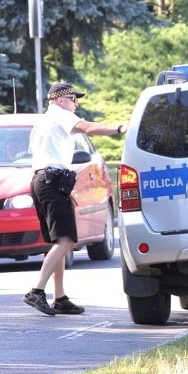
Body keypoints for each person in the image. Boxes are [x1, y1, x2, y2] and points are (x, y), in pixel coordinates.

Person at [23, 82, 127, 316]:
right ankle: (37, 291)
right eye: (73, 98)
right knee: (68, 241)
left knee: (59, 242)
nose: (76, 103)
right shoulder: (61, 115)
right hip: (52, 182)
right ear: (60, 100)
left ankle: (59, 298)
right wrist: (120, 128)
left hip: (42, 181)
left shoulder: (42, 122)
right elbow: (88, 128)